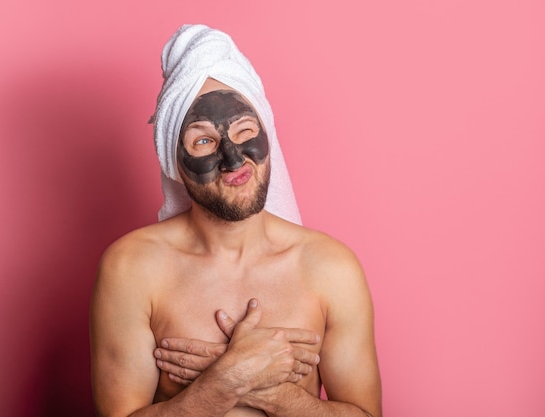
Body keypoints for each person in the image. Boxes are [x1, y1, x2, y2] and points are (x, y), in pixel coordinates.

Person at [90, 24, 382, 417]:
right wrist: (224, 381)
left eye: (245, 131)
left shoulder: (331, 268)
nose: (234, 160)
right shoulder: (132, 268)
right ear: (173, 162)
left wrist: (275, 394)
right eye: (204, 141)